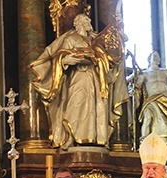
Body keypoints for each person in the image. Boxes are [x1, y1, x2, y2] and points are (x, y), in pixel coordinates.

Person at [30, 13, 128, 149]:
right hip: (77, 77)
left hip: (96, 78)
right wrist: (65, 61)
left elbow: (112, 50)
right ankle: (70, 138)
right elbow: (57, 56)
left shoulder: (94, 38)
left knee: (95, 108)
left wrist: (118, 28)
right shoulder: (70, 38)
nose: (89, 22)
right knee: (76, 105)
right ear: (78, 23)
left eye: (89, 20)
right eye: (86, 20)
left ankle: (96, 138)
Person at [135, 51, 167, 165]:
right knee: (147, 117)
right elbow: (137, 86)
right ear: (149, 59)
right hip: (152, 100)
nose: (156, 56)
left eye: (158, 55)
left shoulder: (165, 72)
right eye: (154, 55)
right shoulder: (144, 73)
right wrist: (135, 76)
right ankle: (143, 144)